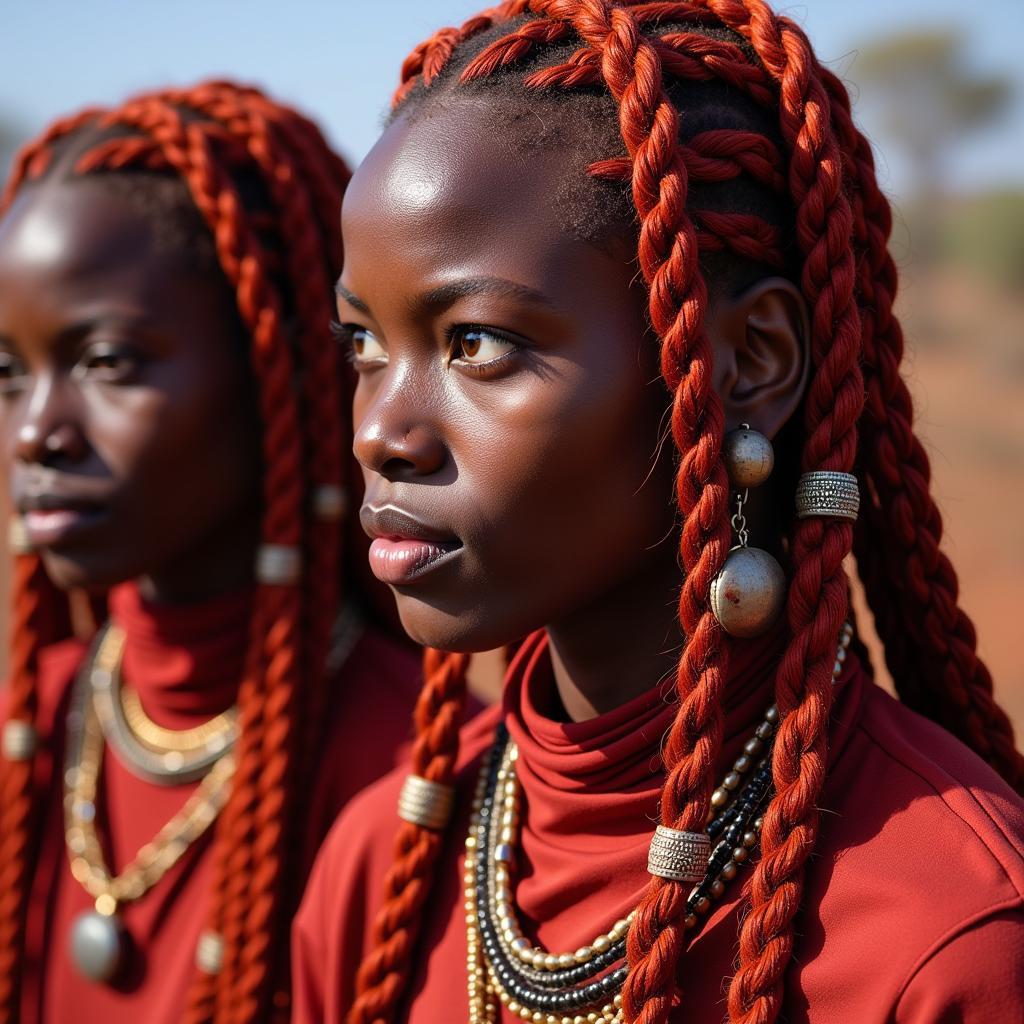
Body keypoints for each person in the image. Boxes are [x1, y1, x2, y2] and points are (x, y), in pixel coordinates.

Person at [290, 2, 1024, 1022]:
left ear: (751, 362)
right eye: (363, 345)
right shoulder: (383, 870)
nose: (382, 431)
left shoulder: (946, 941)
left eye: (475, 344)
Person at [0, 82, 422, 1024]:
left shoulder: (416, 776)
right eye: (7, 372)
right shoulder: (30, 720)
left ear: (280, 370)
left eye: (105, 362)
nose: (35, 432)